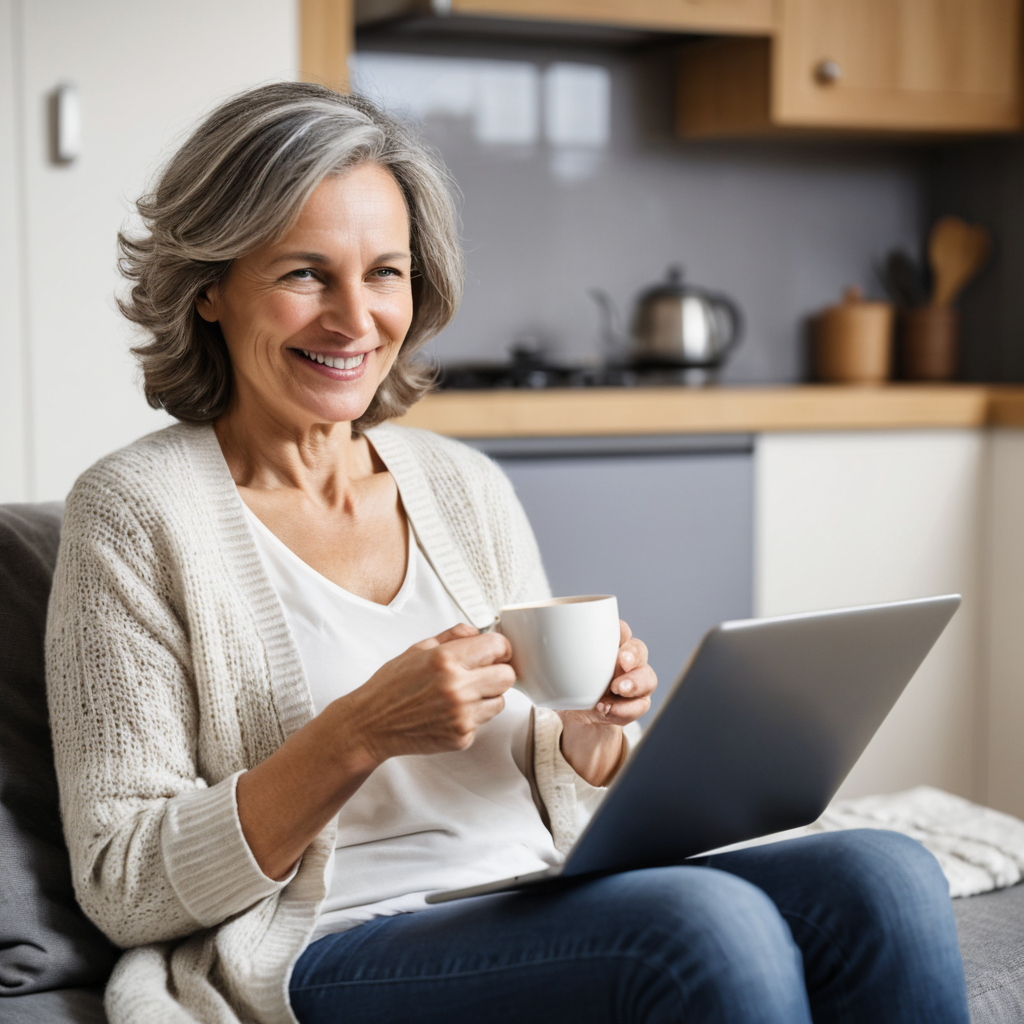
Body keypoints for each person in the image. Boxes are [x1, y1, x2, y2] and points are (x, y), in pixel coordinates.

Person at [45, 82, 970, 1024]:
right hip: (332, 944)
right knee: (703, 926)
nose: (355, 319)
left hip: (536, 894)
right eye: (303, 274)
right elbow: (125, 884)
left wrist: (593, 733)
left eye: (385, 274)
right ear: (208, 287)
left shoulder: (460, 485)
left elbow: (562, 792)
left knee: (886, 872)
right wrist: (358, 731)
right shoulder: (133, 513)